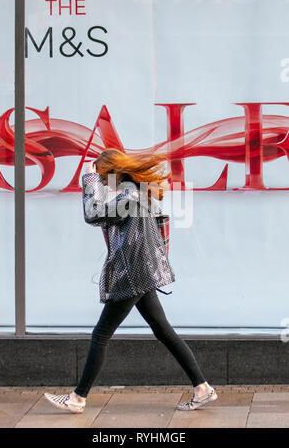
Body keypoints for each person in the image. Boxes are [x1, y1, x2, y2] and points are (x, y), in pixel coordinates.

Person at [44, 148, 218, 414]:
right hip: (142, 272)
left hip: (132, 273)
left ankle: (77, 398)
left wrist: (89, 180)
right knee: (163, 331)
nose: (103, 184)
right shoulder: (139, 193)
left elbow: (93, 213)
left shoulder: (131, 197)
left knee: (101, 335)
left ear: (112, 173)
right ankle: (202, 388)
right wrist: (96, 180)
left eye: (104, 179)